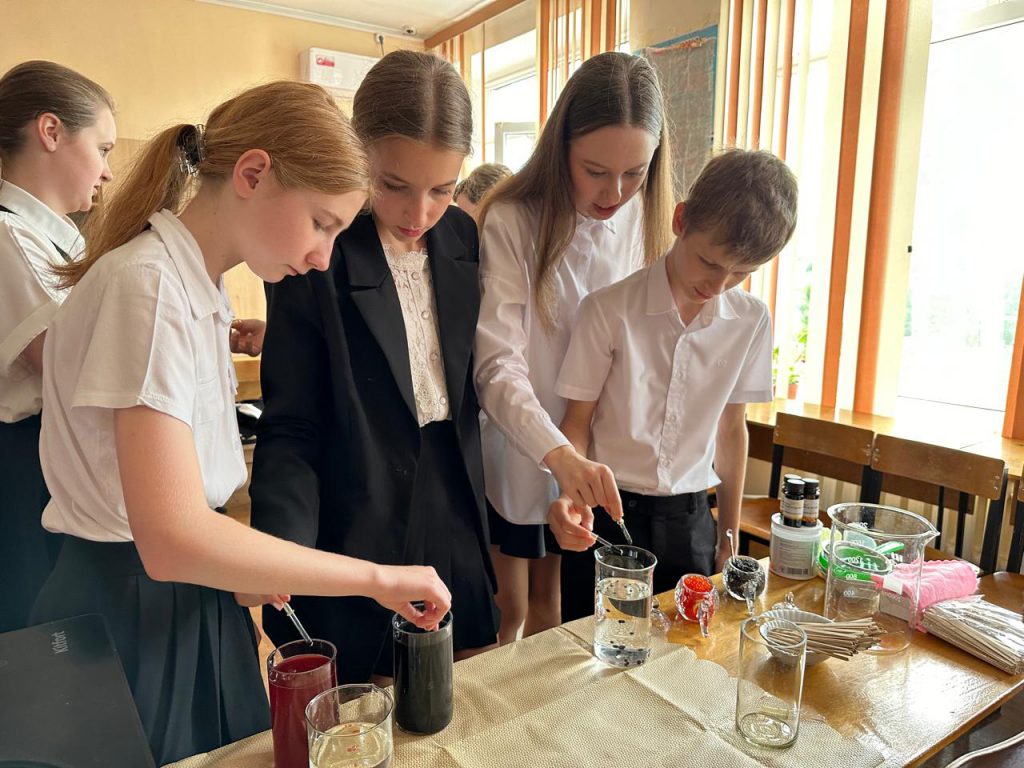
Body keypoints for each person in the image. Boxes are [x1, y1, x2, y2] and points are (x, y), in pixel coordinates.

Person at [30, 80, 450, 765]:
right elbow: (170, 537)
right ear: (253, 174)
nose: (323, 258)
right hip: (130, 602)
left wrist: (240, 563)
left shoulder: (194, 282)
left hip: (180, 595)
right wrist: (378, 579)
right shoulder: (147, 285)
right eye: (322, 223)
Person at [250, 50, 499, 684]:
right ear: (358, 152)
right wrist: (279, 547)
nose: (419, 214)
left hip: (454, 496)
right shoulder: (317, 248)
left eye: (442, 189)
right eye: (393, 185)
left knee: (468, 679)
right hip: (358, 501)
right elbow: (292, 421)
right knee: (371, 692)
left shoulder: (463, 238)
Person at [474, 51, 675, 642]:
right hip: (524, 443)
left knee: (568, 614)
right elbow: (497, 364)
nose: (616, 192)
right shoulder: (513, 219)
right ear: (560, 147)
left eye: (635, 173)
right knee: (511, 612)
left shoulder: (648, 222)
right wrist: (558, 454)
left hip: (603, 451)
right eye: (595, 170)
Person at [547, 149, 798, 616]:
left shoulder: (750, 320)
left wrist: (729, 535)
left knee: (690, 651)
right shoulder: (609, 309)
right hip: (608, 513)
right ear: (681, 221)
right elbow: (576, 422)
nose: (719, 285)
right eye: (709, 262)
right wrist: (568, 494)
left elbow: (731, 430)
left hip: (692, 520)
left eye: (742, 273)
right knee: (594, 651)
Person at [0, 61, 115, 632]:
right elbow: (67, 364)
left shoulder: (54, 240)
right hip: (29, 460)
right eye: (103, 148)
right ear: (50, 131)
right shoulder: (9, 235)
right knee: (42, 633)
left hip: (55, 450)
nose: (107, 172)